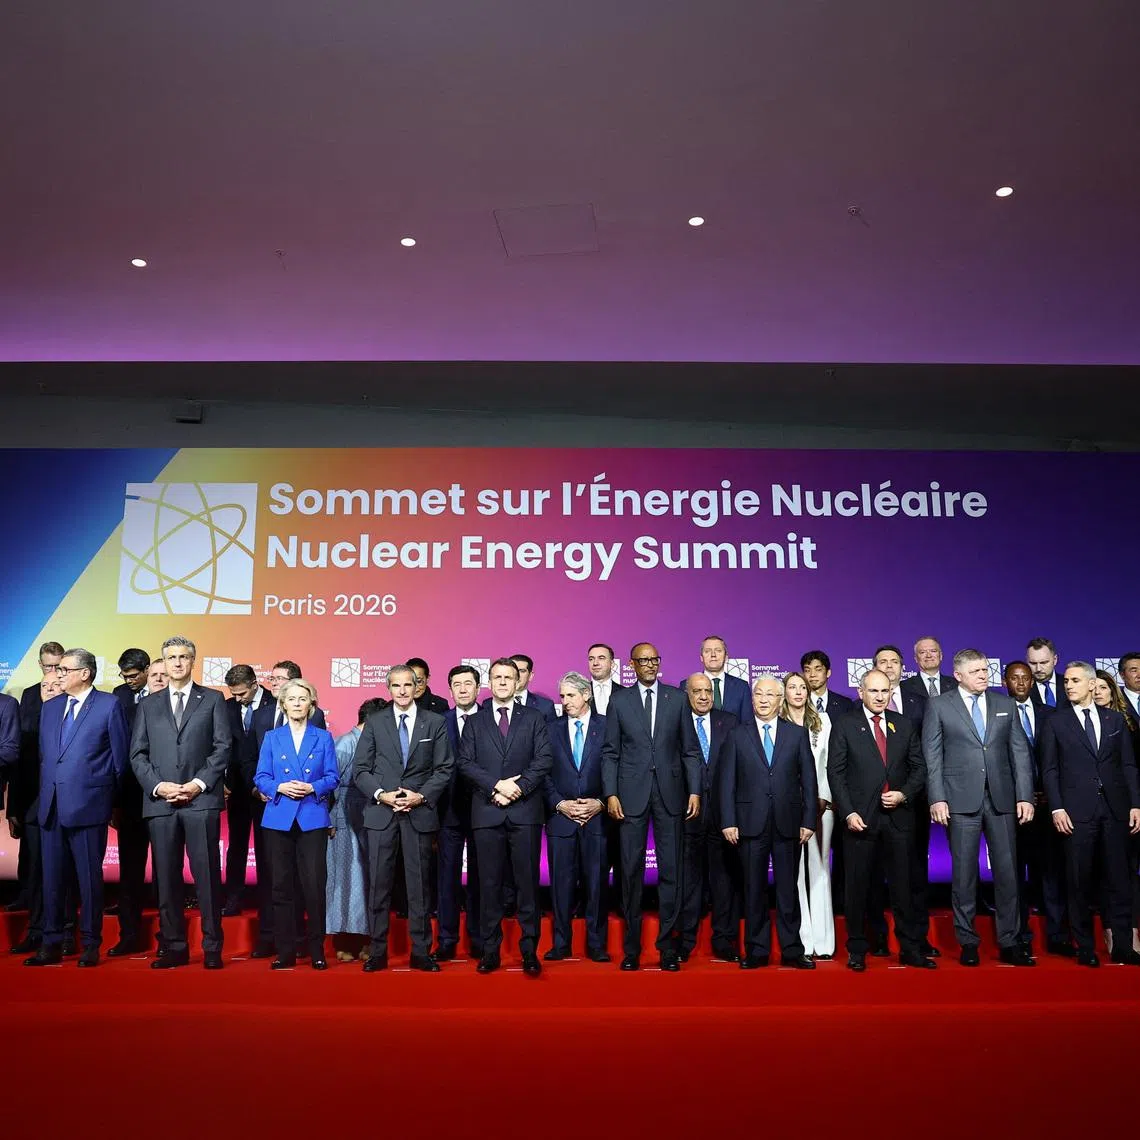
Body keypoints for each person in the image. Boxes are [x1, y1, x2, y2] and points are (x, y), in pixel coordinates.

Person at [922, 648, 1035, 966]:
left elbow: (1020, 754)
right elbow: (932, 756)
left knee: (1008, 873)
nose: (984, 675)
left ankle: (1011, 941)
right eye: (976, 671)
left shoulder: (1005, 703)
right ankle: (968, 941)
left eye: (986, 670)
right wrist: (937, 797)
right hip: (959, 800)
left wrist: (1024, 796)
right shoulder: (939, 705)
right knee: (963, 874)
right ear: (958, 675)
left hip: (1001, 800)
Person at [129, 636, 231, 969]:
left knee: (207, 877)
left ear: (193, 661)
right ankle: (173, 946)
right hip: (161, 803)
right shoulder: (147, 705)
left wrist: (197, 784)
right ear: (163, 661)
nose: (177, 663)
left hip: (200, 800)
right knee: (166, 878)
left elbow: (222, 748)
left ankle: (212, 946)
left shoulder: (213, 699)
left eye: (183, 656)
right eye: (171, 657)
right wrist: (159, 786)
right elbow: (138, 754)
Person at [24, 649, 128, 968]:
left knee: (89, 879)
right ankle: (51, 943)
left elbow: (120, 760)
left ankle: (91, 943)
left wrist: (112, 803)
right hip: (51, 808)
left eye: (65, 669)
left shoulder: (109, 705)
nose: (57, 675)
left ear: (85, 673)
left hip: (89, 807)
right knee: (52, 880)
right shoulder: (52, 707)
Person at [602, 642, 701, 971]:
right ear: (631, 665)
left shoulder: (677, 698)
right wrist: (611, 794)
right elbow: (610, 753)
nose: (648, 665)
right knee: (630, 871)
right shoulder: (619, 700)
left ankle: (667, 948)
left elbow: (690, 750)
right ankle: (631, 949)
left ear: (659, 662)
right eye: (642, 660)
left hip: (671, 793)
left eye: (653, 660)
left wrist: (695, 791)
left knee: (672, 871)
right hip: (629, 795)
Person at [827, 669, 932, 971]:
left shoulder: (904, 724)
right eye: (873, 691)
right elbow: (836, 772)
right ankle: (857, 949)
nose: (879, 697)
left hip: (899, 819)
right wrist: (848, 812)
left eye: (884, 691)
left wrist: (903, 794)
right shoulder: (845, 724)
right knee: (858, 888)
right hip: (860, 820)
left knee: (903, 888)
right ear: (861, 692)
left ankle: (910, 949)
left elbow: (919, 769)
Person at [353, 665, 452, 972]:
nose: (403, 691)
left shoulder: (434, 722)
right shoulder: (375, 722)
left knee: (419, 887)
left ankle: (421, 952)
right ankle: (378, 952)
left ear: (417, 686)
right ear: (389, 688)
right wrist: (382, 794)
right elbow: (361, 770)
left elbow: (444, 769)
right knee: (379, 886)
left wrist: (419, 796)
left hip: (418, 813)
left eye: (409, 685)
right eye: (397, 686)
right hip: (382, 813)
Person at [1041, 661, 1140, 967]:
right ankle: (1084, 946)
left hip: (1115, 810)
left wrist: (1135, 804)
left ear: (1091, 684)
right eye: (1066, 681)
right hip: (1075, 812)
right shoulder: (1055, 722)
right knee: (1079, 880)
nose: (1068, 685)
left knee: (1119, 880)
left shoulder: (1114, 720)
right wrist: (1057, 806)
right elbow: (1049, 769)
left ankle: (1122, 945)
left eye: (1074, 680)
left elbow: (1127, 765)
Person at [457, 657, 552, 976]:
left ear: (518, 682)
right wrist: (496, 786)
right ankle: (490, 950)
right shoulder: (475, 720)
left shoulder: (535, 717)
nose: (502, 682)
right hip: (487, 811)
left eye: (508, 677)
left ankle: (529, 951)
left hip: (524, 812)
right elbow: (465, 763)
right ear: (490, 682)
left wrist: (519, 788)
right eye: (496, 677)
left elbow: (543, 760)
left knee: (527, 884)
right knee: (489, 885)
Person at [719, 676, 817, 969]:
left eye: (769, 695)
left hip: (789, 823)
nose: (763, 699)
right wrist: (728, 820)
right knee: (753, 889)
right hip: (749, 824)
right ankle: (757, 950)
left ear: (780, 700)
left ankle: (792, 950)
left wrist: (808, 820)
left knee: (788, 890)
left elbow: (808, 781)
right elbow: (727, 783)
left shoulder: (796, 734)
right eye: (758, 694)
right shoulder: (737, 734)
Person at [255, 679, 338, 969]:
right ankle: (285, 951)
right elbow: (261, 776)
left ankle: (316, 950)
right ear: (283, 704)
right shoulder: (271, 737)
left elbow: (332, 777)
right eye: (292, 699)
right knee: (280, 887)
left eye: (303, 699)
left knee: (314, 886)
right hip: (278, 817)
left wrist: (312, 787)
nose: (298, 704)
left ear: (311, 704)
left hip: (312, 817)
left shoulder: (323, 737)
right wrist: (279, 787)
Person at [8, 672, 79, 955]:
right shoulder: (28, 728)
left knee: (65, 873)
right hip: (35, 812)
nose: (49, 690)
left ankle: (67, 932)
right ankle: (36, 931)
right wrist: (14, 810)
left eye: (56, 685)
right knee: (36, 875)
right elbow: (18, 773)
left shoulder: (75, 723)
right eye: (44, 686)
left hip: (69, 809)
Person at [1004, 662, 1070, 956]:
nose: (1020, 683)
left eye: (1025, 678)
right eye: (1014, 678)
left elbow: (1059, 759)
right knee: (1013, 875)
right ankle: (1018, 936)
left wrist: (1051, 795)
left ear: (1033, 682)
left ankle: (1057, 936)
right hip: (1012, 807)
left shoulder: (1051, 714)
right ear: (1004, 681)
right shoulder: (996, 712)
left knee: (1052, 873)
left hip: (1047, 807)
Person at [544, 671, 609, 962]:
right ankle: (561, 943)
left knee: (596, 883)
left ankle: (596, 945)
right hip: (561, 819)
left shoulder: (607, 727)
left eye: (571, 695)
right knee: (560, 885)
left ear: (587, 695)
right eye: (562, 696)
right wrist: (559, 804)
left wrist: (600, 802)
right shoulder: (549, 729)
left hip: (597, 818)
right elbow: (541, 773)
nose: (565, 701)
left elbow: (617, 769)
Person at [678, 673, 740, 963]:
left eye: (708, 691)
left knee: (723, 879)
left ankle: (724, 938)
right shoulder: (675, 722)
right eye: (697, 691)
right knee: (688, 879)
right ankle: (685, 939)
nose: (703, 696)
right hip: (686, 813)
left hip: (722, 813)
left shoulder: (729, 722)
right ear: (686, 694)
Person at [327, 697, 387, 962]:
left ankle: (367, 941)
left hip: (371, 816)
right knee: (344, 882)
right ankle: (344, 942)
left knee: (369, 881)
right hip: (342, 819)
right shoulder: (343, 745)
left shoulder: (376, 744)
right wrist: (328, 822)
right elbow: (327, 787)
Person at [782, 671, 834, 959]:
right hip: (788, 806)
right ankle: (803, 939)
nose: (799, 692)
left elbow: (828, 764)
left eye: (803, 687)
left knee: (819, 866)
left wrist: (823, 797)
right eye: (792, 687)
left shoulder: (822, 722)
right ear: (784, 692)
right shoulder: (778, 724)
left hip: (820, 804)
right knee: (794, 872)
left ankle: (824, 941)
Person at [11, 642, 64, 920]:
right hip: (32, 792)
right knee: (31, 857)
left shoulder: (76, 696)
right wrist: (14, 808)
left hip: (67, 796)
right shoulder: (30, 695)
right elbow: (21, 750)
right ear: (40, 665)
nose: (53, 673)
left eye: (58, 666)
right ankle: (29, 907)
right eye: (48, 667)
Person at [434, 664, 482, 962]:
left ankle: (479, 939)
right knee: (446, 879)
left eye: (468, 683)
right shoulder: (439, 722)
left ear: (478, 688)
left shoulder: (493, 720)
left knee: (481, 878)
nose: (463, 689)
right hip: (447, 811)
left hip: (484, 810)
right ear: (450, 690)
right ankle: (447, 940)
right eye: (457, 684)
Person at [108, 648, 154, 955]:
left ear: (148, 669)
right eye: (125, 676)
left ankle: (169, 938)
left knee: (167, 869)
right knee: (130, 872)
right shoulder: (118, 696)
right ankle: (129, 935)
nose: (129, 681)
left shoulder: (165, 694)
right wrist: (115, 801)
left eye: (134, 675)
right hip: (129, 795)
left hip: (165, 795)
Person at [1094, 667, 1140, 955]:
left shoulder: (1128, 725)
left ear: (1114, 691)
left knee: (1126, 873)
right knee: (1102, 872)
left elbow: (1131, 768)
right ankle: (1111, 932)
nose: (1098, 691)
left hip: (1126, 808)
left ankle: (1131, 933)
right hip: (1093, 809)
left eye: (1103, 687)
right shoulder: (1073, 721)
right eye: (1093, 686)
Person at [222, 664, 270, 917]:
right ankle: (233, 898)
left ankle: (267, 901)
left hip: (268, 789)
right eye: (233, 694)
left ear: (254, 684)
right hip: (237, 788)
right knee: (236, 845)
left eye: (241, 693)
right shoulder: (228, 707)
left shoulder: (275, 703)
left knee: (267, 848)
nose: (237, 698)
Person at [698, 636, 751, 723]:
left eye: (718, 651)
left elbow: (747, 724)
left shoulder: (742, 687)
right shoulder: (687, 685)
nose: (713, 655)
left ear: (726, 657)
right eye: (707, 651)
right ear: (701, 657)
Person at [872, 645, 925, 721]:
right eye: (883, 662)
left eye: (895, 662)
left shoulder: (921, 703)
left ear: (901, 668)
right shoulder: (860, 704)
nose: (889, 666)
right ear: (874, 669)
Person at [800, 651, 855, 720]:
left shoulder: (845, 704)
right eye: (807, 670)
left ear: (828, 673)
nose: (812, 674)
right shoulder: (798, 703)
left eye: (818, 670)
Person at [900, 637, 955, 701]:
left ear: (941, 656)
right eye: (923, 652)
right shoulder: (904, 687)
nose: (929, 656)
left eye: (933, 651)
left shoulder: (956, 685)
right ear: (916, 658)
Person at [1026, 638, 1070, 710]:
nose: (1038, 669)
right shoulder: (1024, 690)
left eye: (1043, 662)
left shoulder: (1069, 684)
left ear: (1055, 660)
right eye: (1033, 663)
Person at [509, 654, 556, 718]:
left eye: (522, 671)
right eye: (513, 670)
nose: (517, 675)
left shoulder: (545, 706)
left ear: (530, 676)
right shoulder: (494, 704)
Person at [586, 643, 623, 715]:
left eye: (601, 658)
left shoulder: (624, 693)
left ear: (612, 663)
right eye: (591, 659)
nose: (595, 663)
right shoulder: (580, 693)